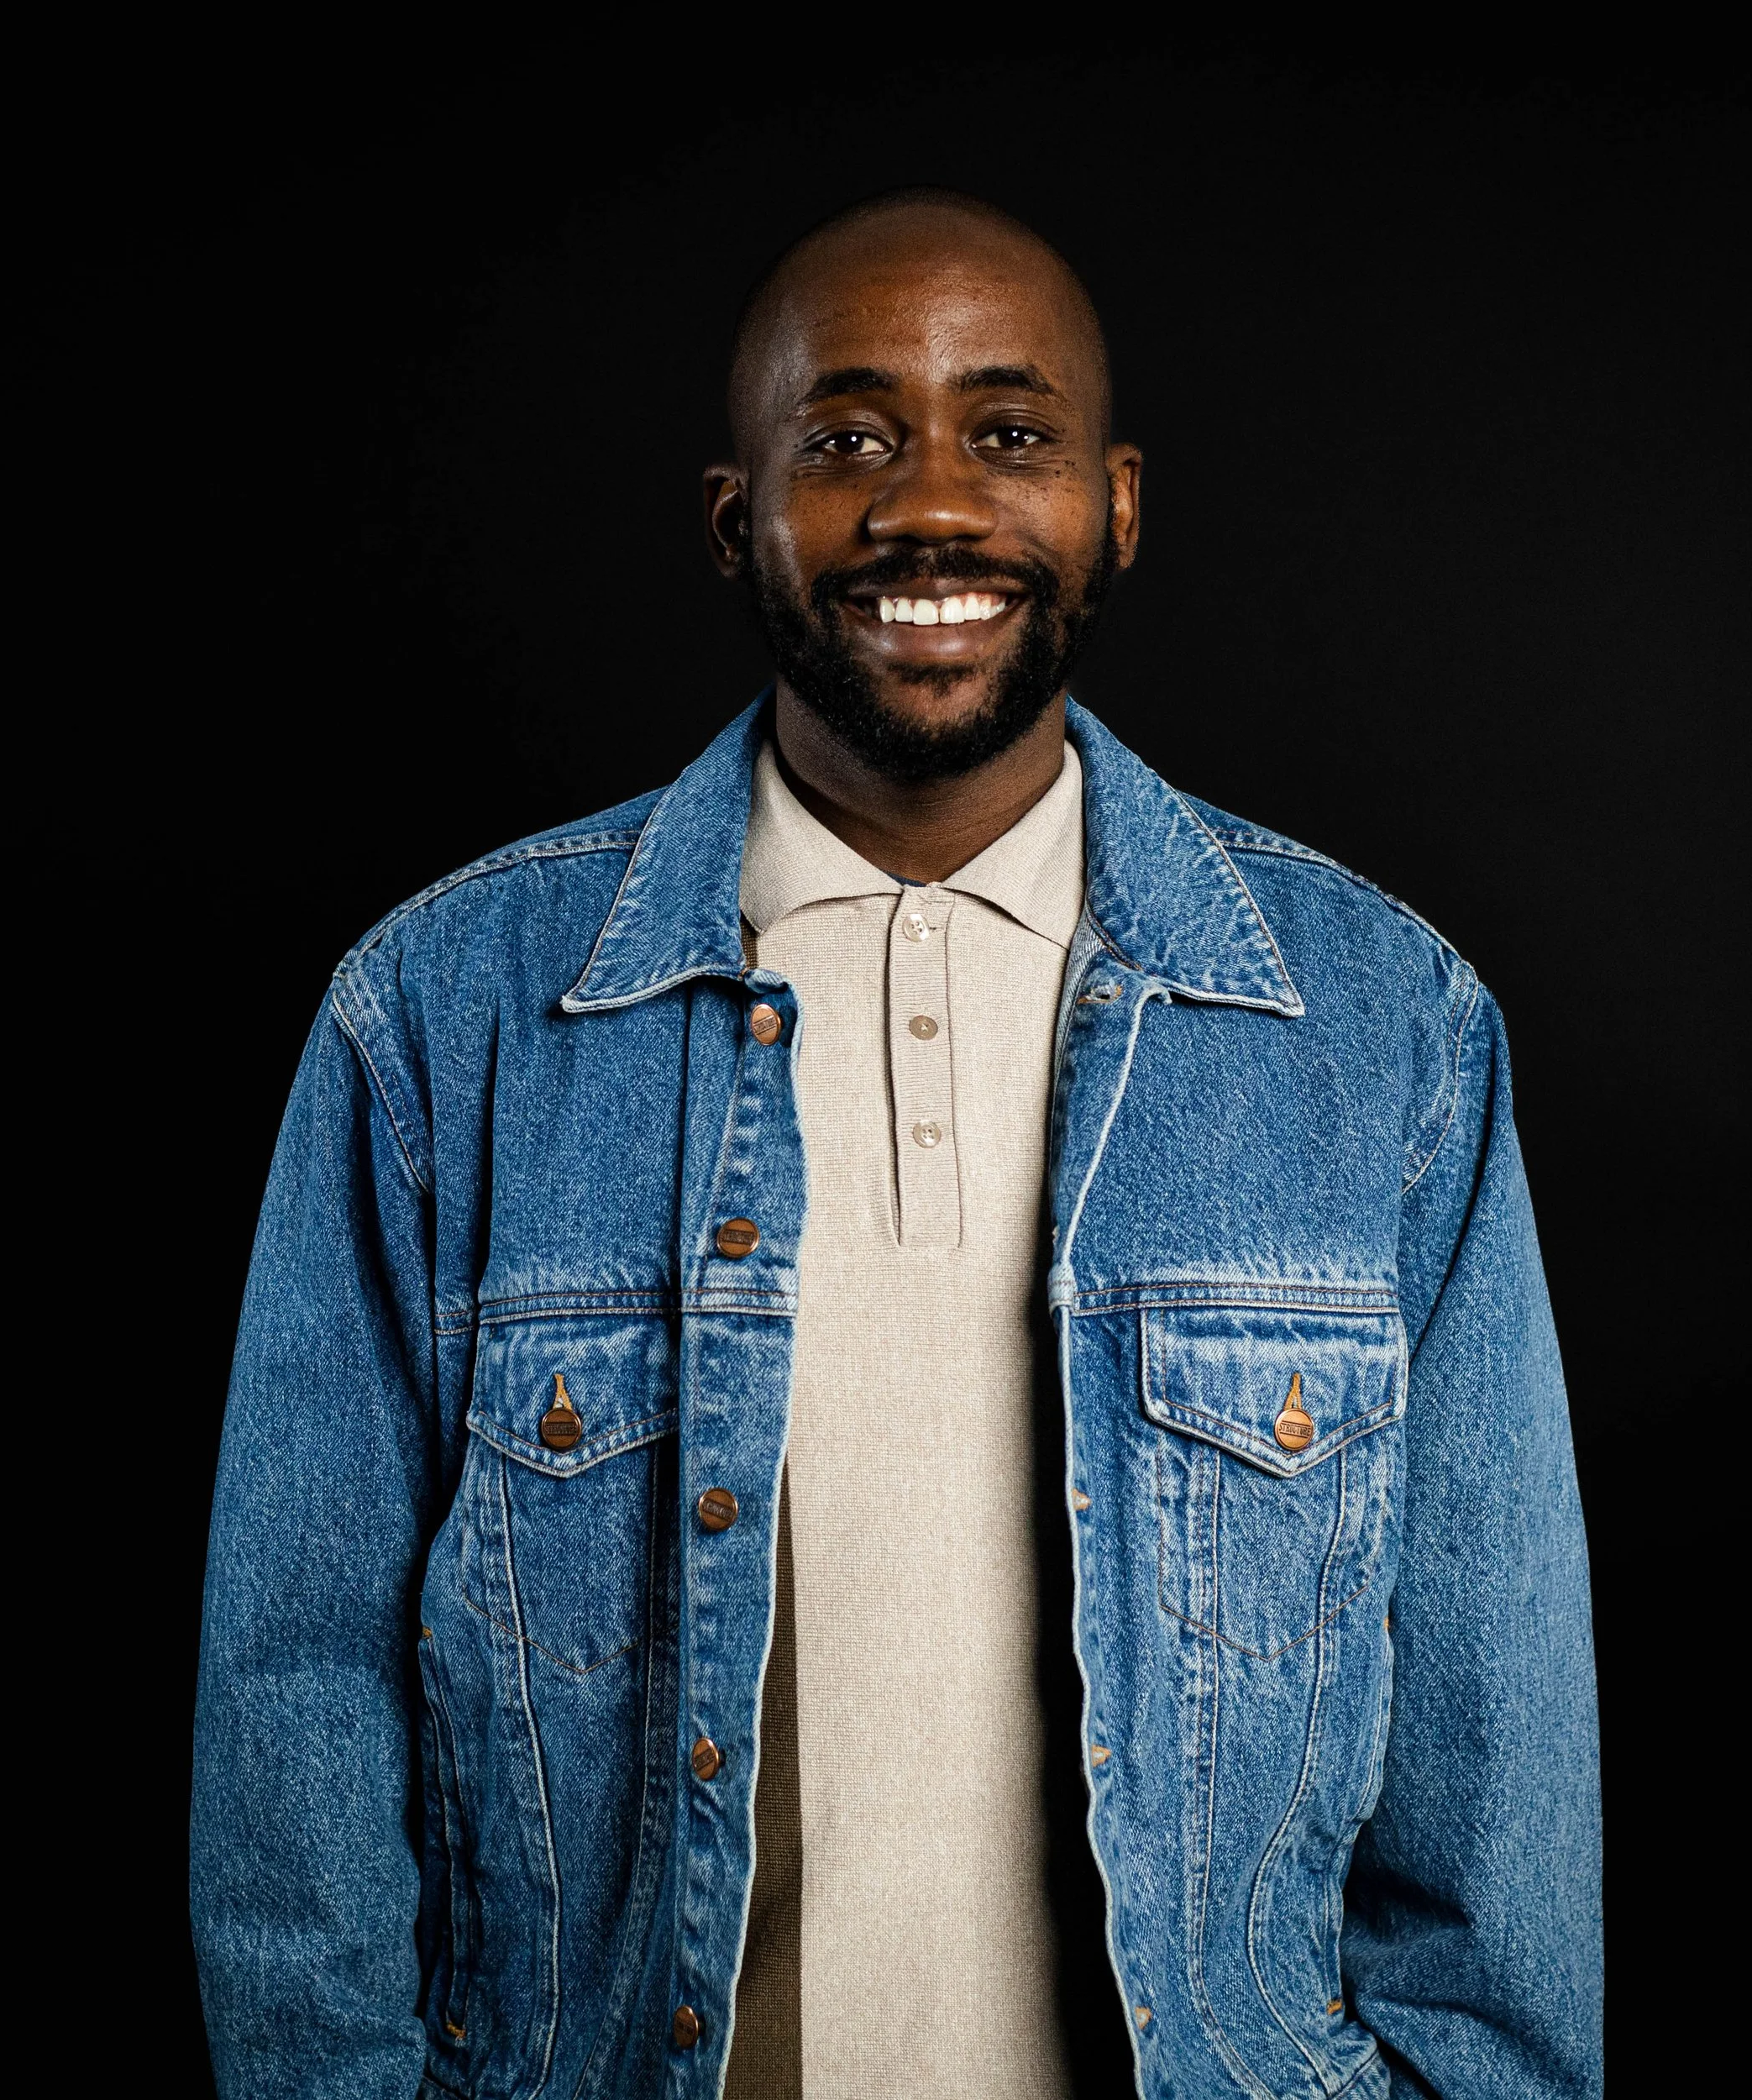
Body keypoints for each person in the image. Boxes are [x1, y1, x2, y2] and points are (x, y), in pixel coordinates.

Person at [192, 187, 1603, 2100]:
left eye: (1004, 435)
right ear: (732, 519)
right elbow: (293, 1722)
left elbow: (1492, 1767)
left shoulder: (1378, 1032)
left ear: (1112, 504)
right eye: (846, 439)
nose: (929, 505)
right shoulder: (440, 1021)